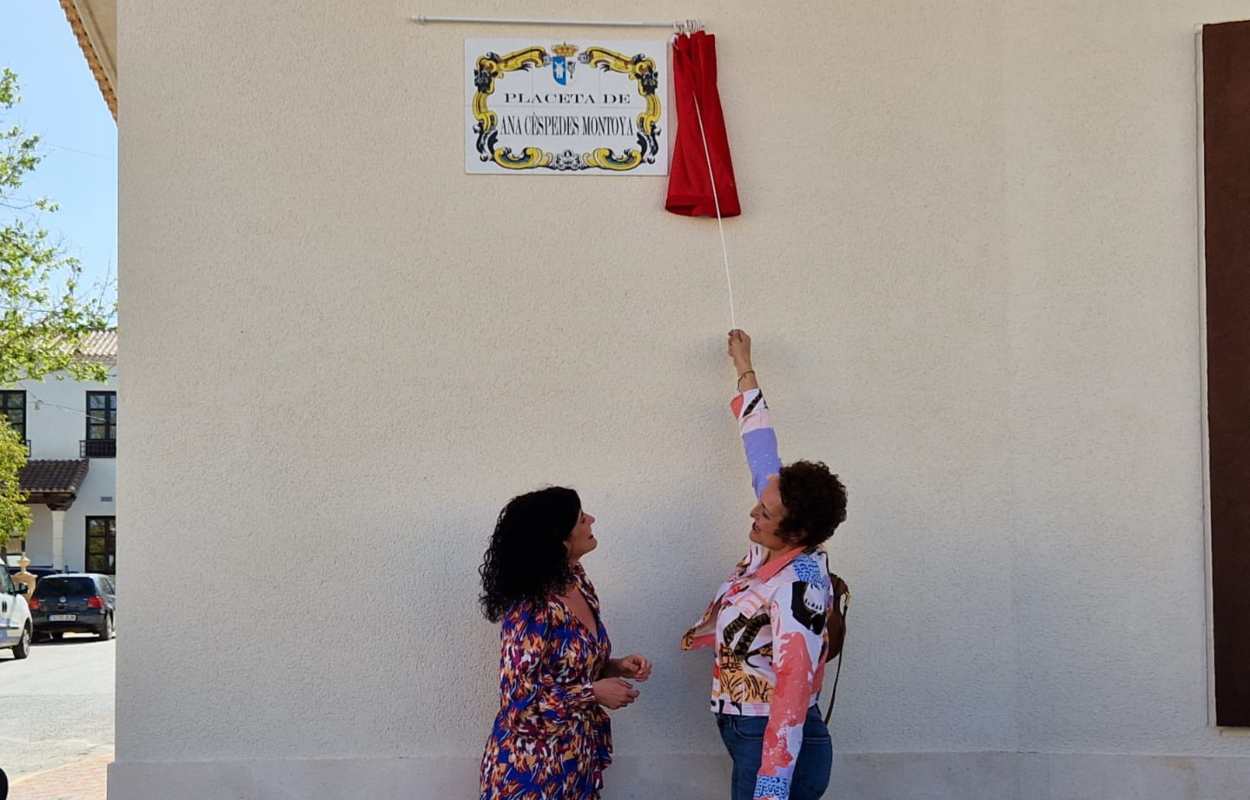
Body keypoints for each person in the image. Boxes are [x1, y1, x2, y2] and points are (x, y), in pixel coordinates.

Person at [682, 330, 848, 800]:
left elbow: (793, 694)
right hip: (747, 728)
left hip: (773, 737)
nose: (754, 513)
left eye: (765, 513)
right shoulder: (775, 544)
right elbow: (761, 451)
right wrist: (745, 369)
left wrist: (771, 787)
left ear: (796, 533)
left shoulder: (800, 588)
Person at [479, 487, 652, 800]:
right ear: (559, 540)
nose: (591, 519)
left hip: (575, 759)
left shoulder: (577, 582)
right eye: (580, 518)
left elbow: (566, 668)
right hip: (532, 770)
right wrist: (593, 692)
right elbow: (519, 700)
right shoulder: (532, 607)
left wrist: (615, 666)